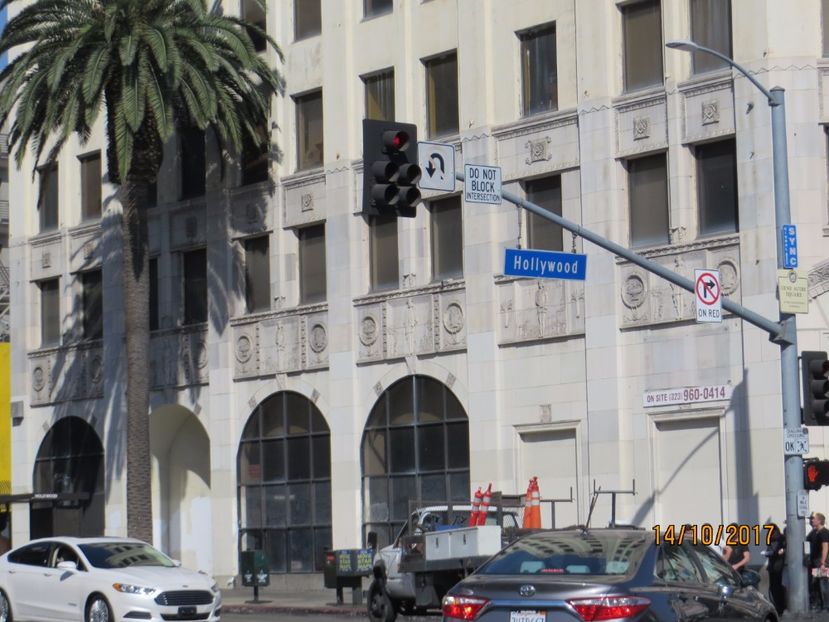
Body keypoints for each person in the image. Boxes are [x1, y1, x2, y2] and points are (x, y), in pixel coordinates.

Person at [809, 513, 829, 611]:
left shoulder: (824, 532)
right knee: (816, 583)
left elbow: (825, 548)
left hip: (821, 562)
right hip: (815, 562)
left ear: (819, 521)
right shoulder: (814, 532)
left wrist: (823, 563)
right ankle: (819, 604)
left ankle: (826, 606)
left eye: (814, 519)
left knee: (823, 584)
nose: (812, 520)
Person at [764, 522, 786, 615]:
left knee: (777, 587)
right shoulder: (771, 538)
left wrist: (776, 552)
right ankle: (777, 606)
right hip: (772, 566)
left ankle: (780, 607)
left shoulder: (781, 538)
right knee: (773, 587)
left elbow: (782, 550)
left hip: (778, 566)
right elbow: (769, 549)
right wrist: (767, 552)